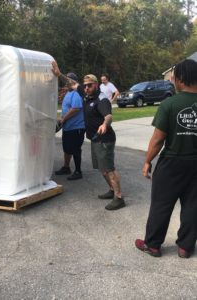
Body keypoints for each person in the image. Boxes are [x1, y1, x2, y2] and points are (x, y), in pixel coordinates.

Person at [135, 59, 197, 258]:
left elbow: (157, 140)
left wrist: (147, 161)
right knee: (193, 205)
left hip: (171, 163)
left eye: (174, 77)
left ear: (180, 79)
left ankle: (153, 244)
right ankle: (186, 247)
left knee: (161, 204)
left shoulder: (169, 104)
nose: (171, 80)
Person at [52, 61, 125, 210]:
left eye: (89, 85)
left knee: (109, 168)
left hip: (105, 139)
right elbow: (72, 84)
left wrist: (105, 124)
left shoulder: (102, 99)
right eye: (85, 85)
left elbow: (108, 116)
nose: (86, 88)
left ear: (96, 85)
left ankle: (119, 197)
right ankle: (112, 190)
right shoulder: (86, 95)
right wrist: (59, 74)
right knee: (102, 169)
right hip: (95, 139)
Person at [55, 72, 86, 180]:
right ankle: (66, 167)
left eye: (69, 81)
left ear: (74, 82)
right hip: (68, 126)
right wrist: (61, 118)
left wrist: (64, 119)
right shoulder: (68, 93)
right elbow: (67, 108)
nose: (66, 83)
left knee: (76, 149)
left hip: (76, 127)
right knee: (67, 148)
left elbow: (76, 108)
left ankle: (78, 171)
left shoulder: (76, 93)